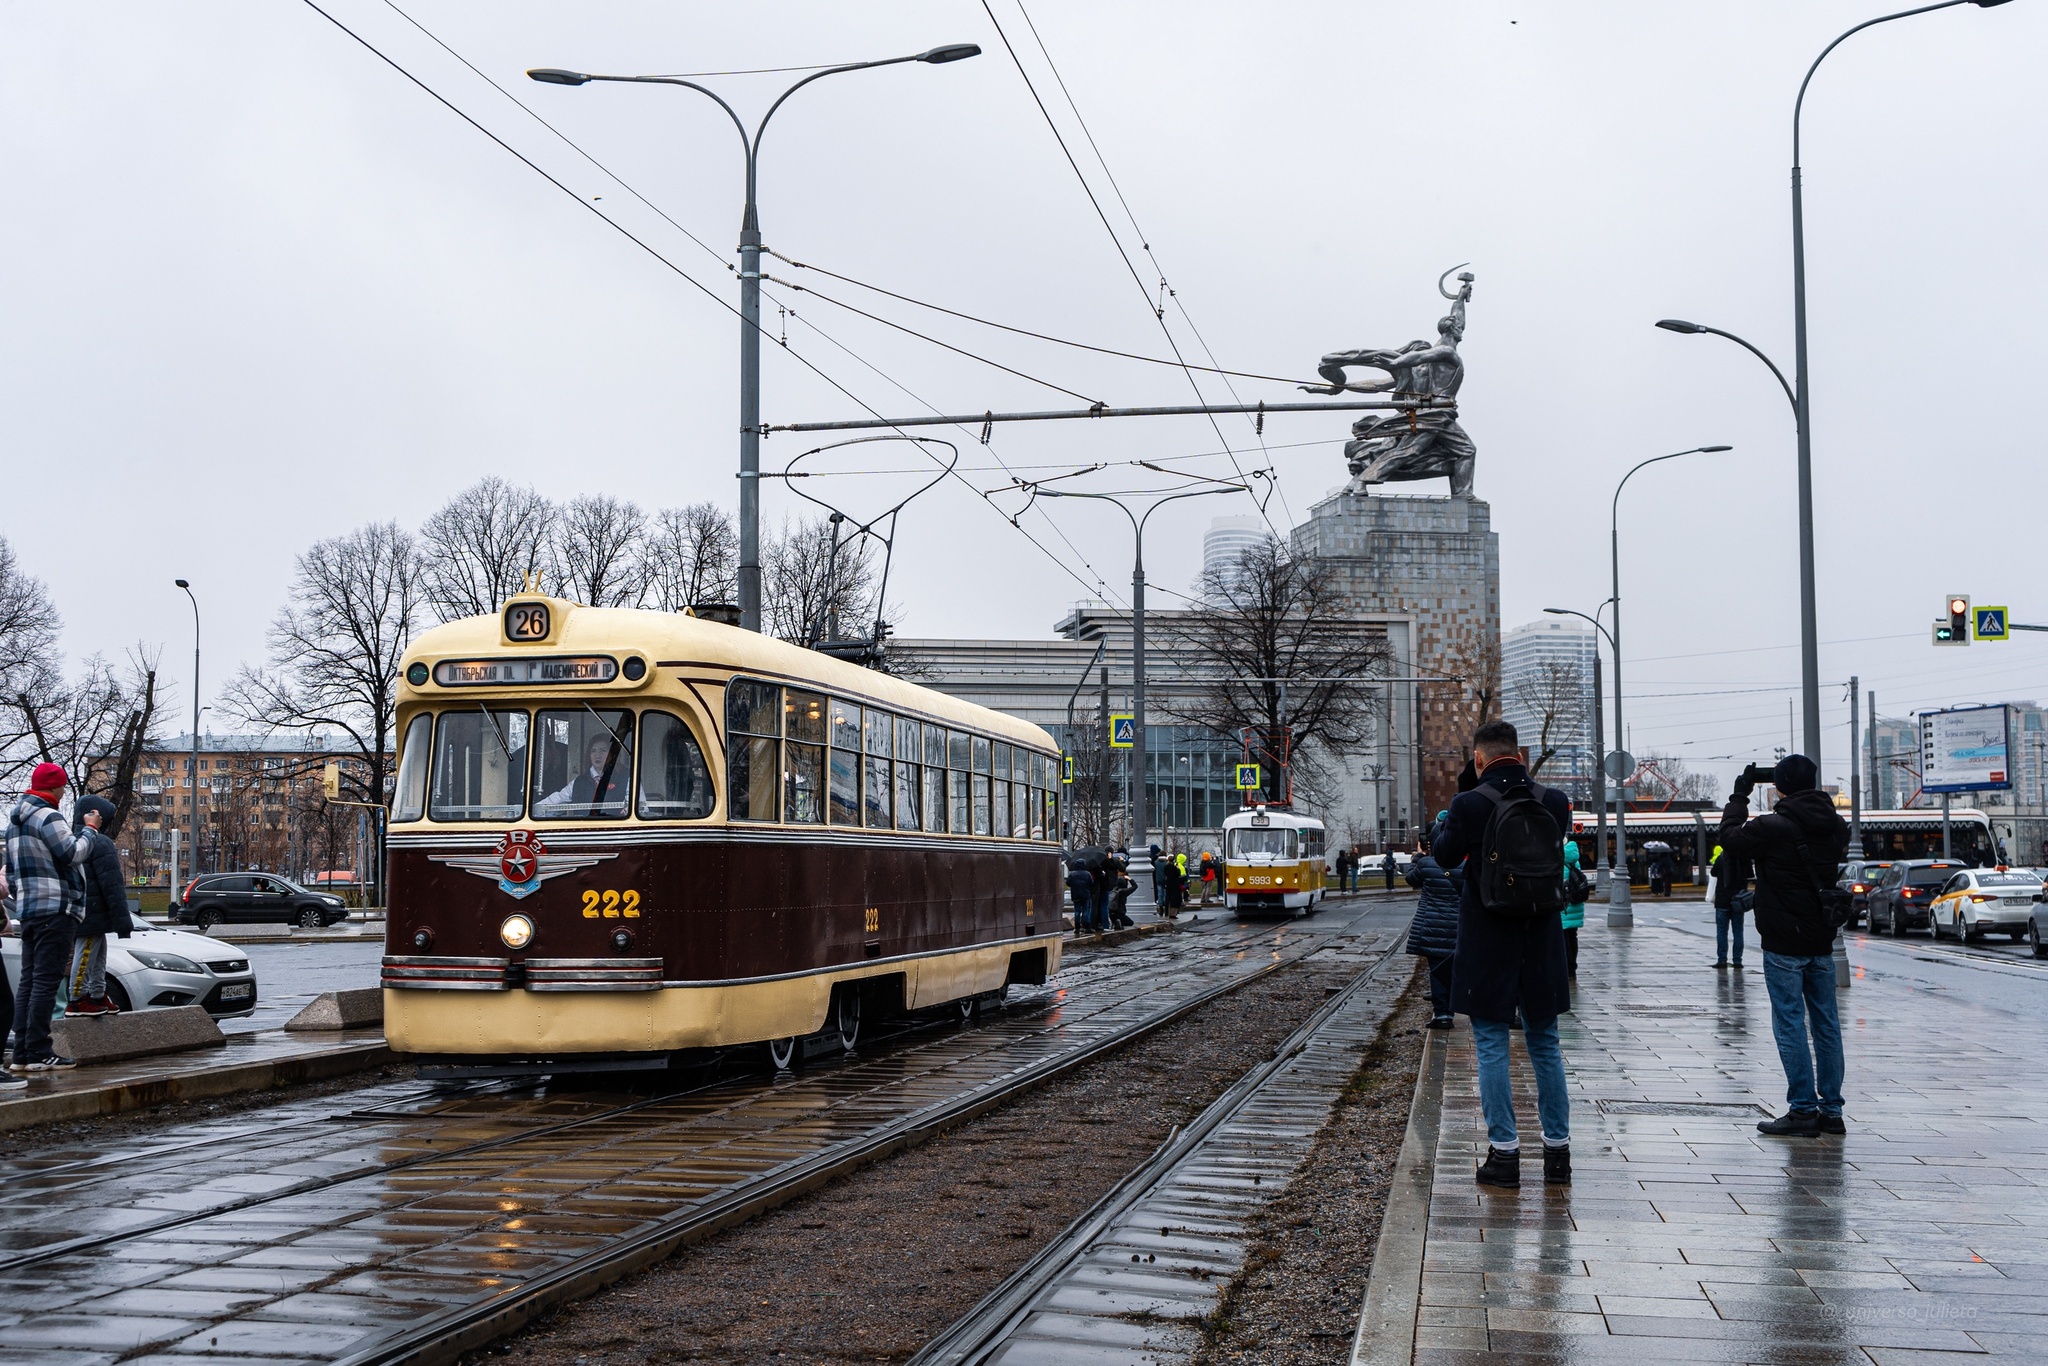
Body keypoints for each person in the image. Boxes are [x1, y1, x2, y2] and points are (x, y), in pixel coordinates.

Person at [1433, 722, 1574, 1189]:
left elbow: (1446, 856)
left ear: (1478, 758)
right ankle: (1557, 1156)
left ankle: (1505, 1155)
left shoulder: (1469, 803)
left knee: (1492, 1045)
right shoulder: (1551, 800)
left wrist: (1464, 795)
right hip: (1542, 936)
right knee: (1545, 1043)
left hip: (1489, 937)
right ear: (1519, 753)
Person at [1717, 754, 1849, 1138]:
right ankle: (1833, 1112)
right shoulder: (1835, 825)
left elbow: (1729, 839)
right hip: (1822, 940)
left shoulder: (1772, 826)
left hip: (1783, 942)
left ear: (1780, 786)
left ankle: (1803, 1110)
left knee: (1790, 1021)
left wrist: (1739, 797)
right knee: (1826, 1024)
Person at [4, 764, 91, 1072]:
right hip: (56, 909)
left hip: (28, 912)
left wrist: (26, 896)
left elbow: (12, 875)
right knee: (46, 981)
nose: (65, 791)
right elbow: (72, 853)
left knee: (29, 980)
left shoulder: (15, 823)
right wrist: (89, 831)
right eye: (63, 786)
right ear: (55, 788)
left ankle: (24, 1053)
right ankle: (40, 1050)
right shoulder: (49, 816)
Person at [67, 795, 136, 1017]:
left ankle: (97, 994)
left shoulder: (72, 840)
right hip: (93, 913)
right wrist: (123, 921)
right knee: (87, 953)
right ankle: (77, 999)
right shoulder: (100, 842)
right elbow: (112, 885)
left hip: (82, 911)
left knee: (96, 953)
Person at [1404, 825, 1460, 1028]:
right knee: (1454, 970)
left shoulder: (1427, 863)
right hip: (1457, 928)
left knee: (1437, 971)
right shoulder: (1464, 864)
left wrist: (1419, 856)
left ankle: (1442, 1014)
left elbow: (1411, 879)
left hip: (1432, 927)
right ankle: (1456, 1007)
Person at [537, 734, 631, 814]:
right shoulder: (579, 782)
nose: (597, 755)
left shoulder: (626, 777)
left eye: (603, 750)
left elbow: (640, 806)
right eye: (593, 751)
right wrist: (534, 809)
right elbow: (558, 798)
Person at [1710, 841, 1752, 970]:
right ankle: (1737, 961)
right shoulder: (1744, 858)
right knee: (1738, 931)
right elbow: (1750, 875)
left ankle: (1722, 960)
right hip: (1738, 900)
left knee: (1722, 932)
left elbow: (1713, 873)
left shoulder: (1721, 857)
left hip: (1722, 900)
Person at [1561, 839, 1587, 980]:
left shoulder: (1558, 859)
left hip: (1564, 904)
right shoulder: (1575, 860)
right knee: (1573, 937)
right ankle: (1573, 968)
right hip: (1576, 903)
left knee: (1564, 939)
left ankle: (1567, 968)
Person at [1064, 857, 1098, 935]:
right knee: (1086, 911)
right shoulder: (1087, 873)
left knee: (1077, 911)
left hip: (1075, 895)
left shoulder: (1072, 874)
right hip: (1085, 895)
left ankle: (1077, 928)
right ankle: (1087, 927)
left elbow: (1068, 883)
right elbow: (1092, 883)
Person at [1105, 856, 1136, 929]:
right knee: (1130, 923)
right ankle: (1118, 922)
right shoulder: (1123, 891)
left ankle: (1115, 922)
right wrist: (1129, 879)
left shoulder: (1113, 890)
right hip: (1119, 913)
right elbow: (1135, 886)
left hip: (1111, 913)